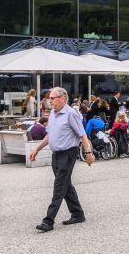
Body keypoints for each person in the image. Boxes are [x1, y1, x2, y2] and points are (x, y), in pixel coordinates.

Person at [29, 87, 95, 232]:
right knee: (65, 185)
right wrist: (37, 149)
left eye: (52, 98)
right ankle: (78, 214)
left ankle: (48, 221)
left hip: (68, 153)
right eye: (49, 98)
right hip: (56, 154)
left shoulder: (71, 114)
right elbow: (49, 135)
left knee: (59, 186)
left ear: (63, 99)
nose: (49, 101)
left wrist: (88, 153)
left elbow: (82, 135)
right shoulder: (52, 113)